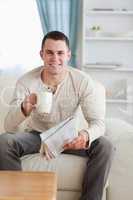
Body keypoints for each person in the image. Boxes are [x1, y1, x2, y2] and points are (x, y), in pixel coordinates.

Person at [0, 31, 114, 200]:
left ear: (68, 55)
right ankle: (17, 196)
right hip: (37, 136)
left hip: (69, 138)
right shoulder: (26, 81)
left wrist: (85, 135)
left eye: (60, 53)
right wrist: (24, 109)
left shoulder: (82, 81)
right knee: (4, 141)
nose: (55, 58)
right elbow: (9, 127)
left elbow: (98, 123)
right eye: (50, 53)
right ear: (42, 54)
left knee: (105, 146)